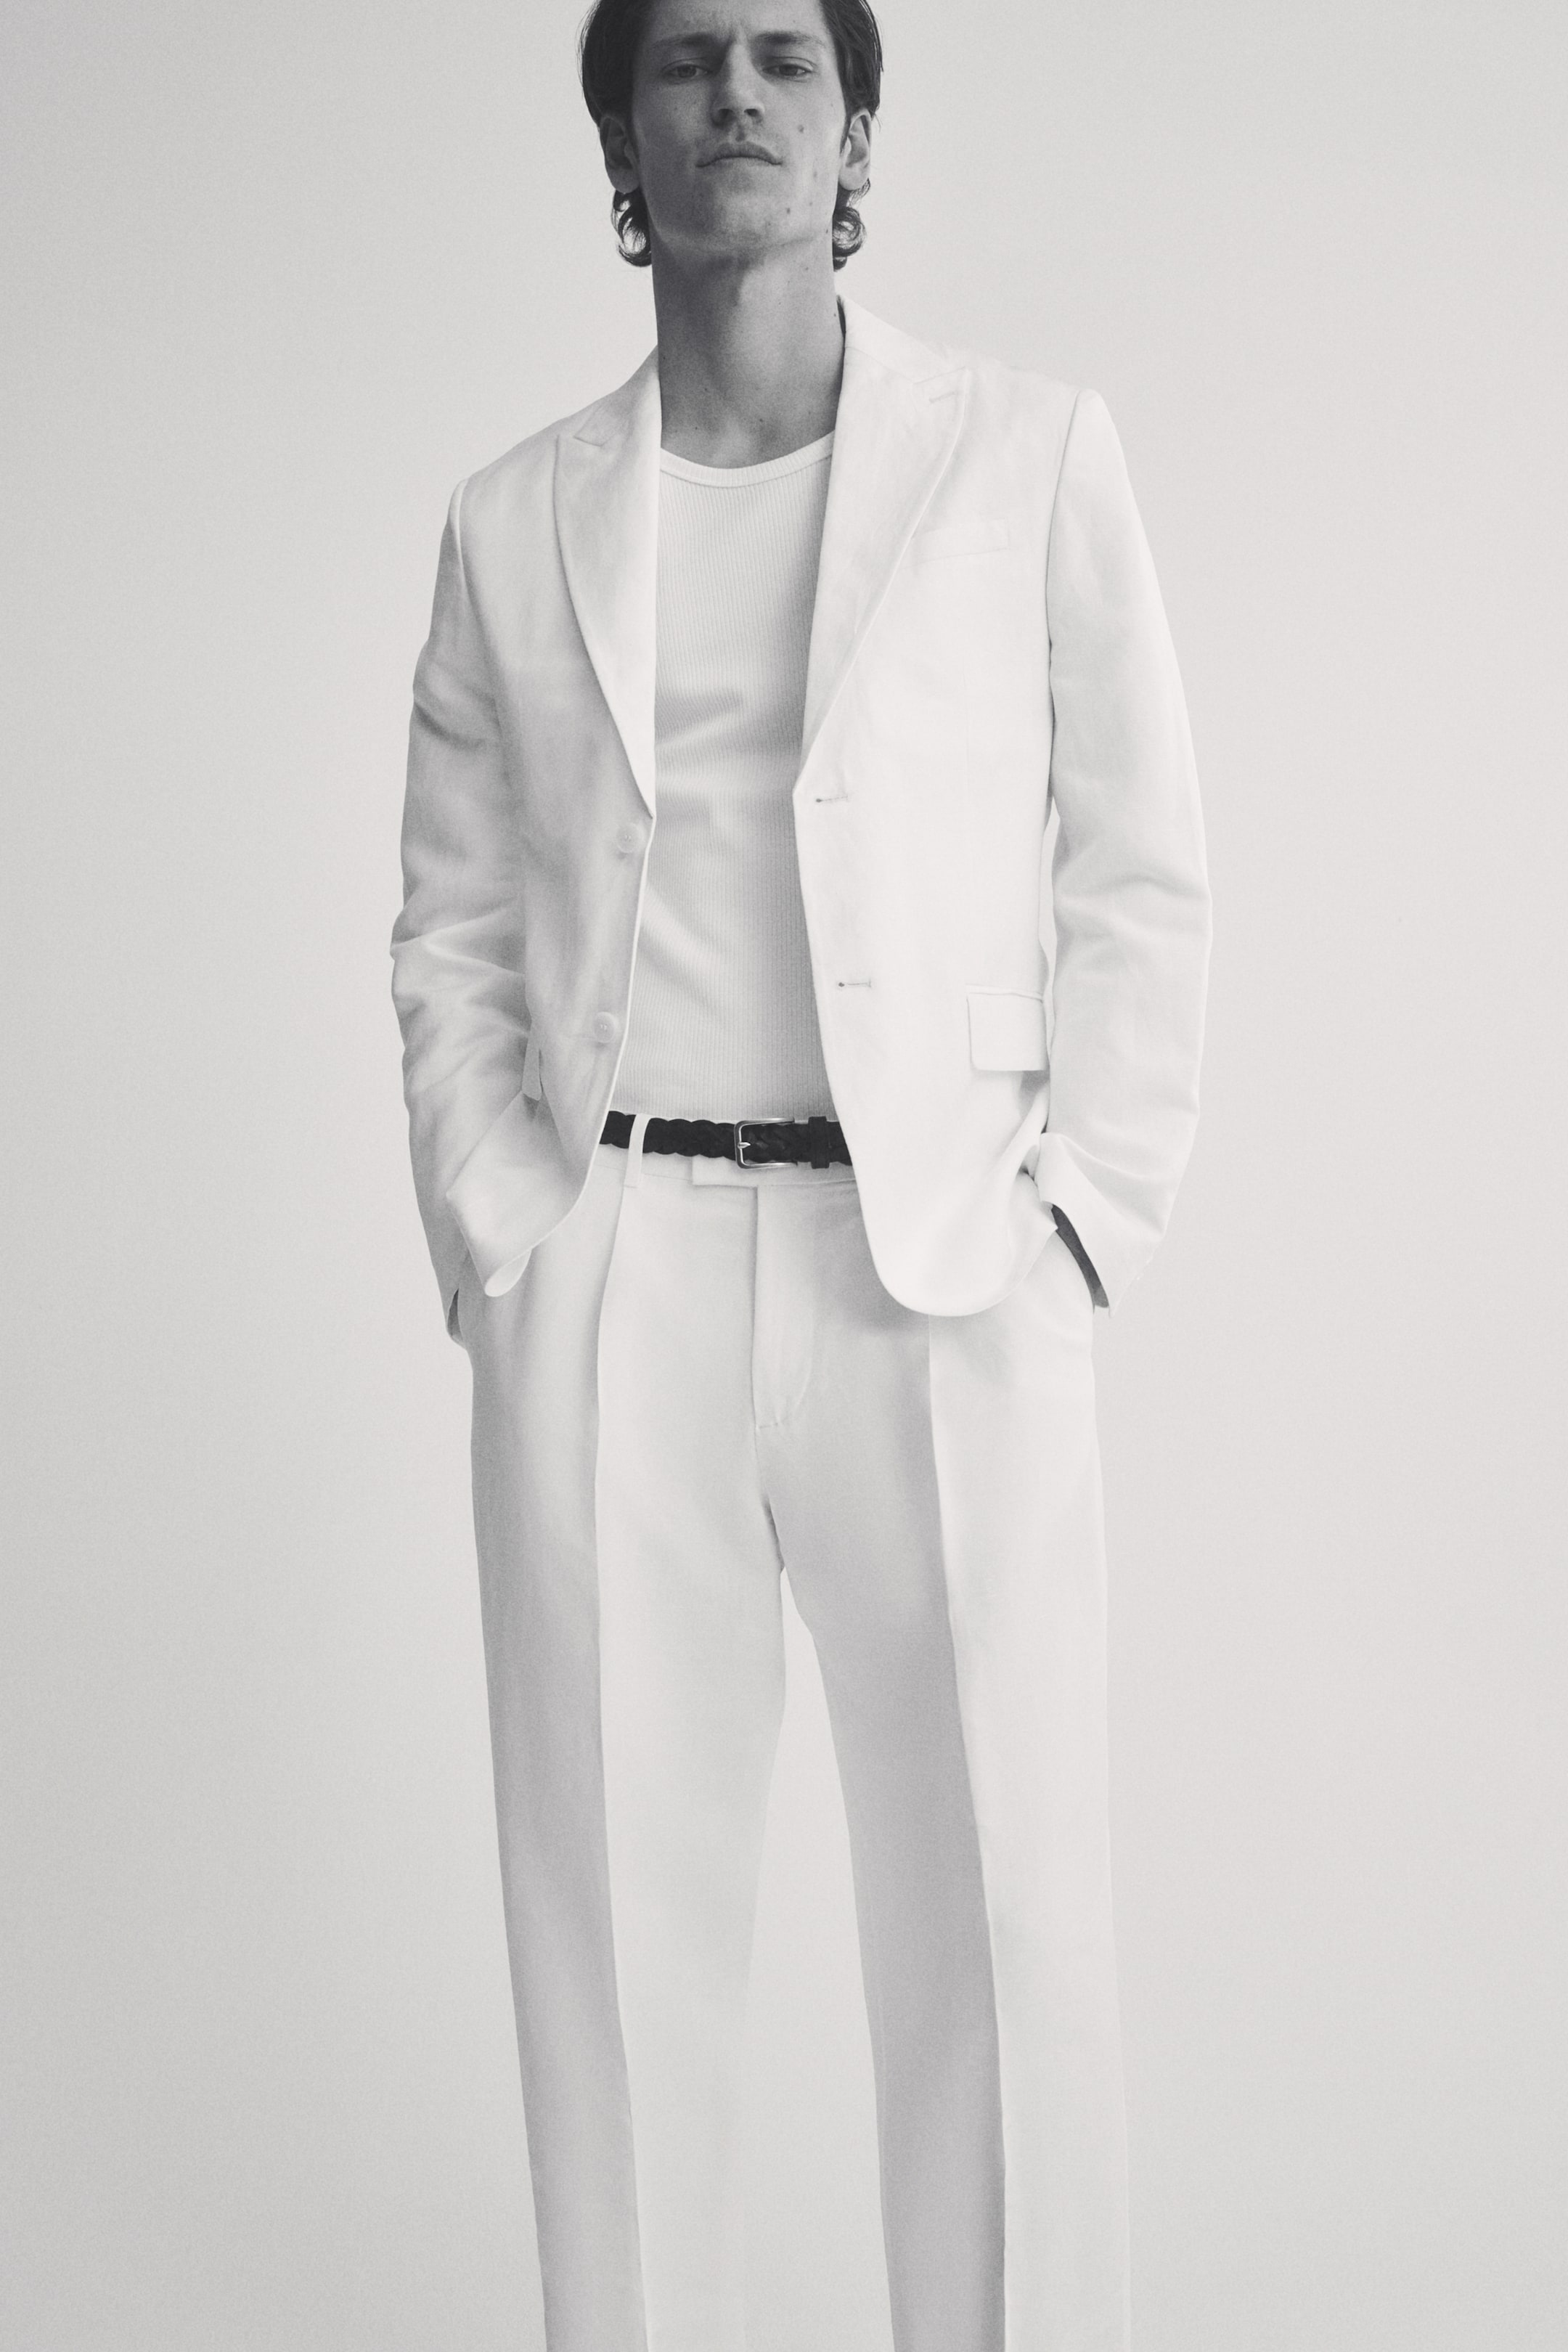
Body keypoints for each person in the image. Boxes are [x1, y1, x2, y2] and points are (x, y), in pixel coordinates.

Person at [389, 0, 1210, 2345]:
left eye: (785, 60)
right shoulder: (515, 517)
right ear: (622, 137)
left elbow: (1139, 867)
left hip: (930, 1268)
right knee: (613, 1965)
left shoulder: (1025, 457)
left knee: (1004, 1945)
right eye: (683, 65)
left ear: (853, 136)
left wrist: (1077, 1223)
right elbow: (451, 917)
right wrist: (500, 1225)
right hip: (614, 1269)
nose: (734, 97)